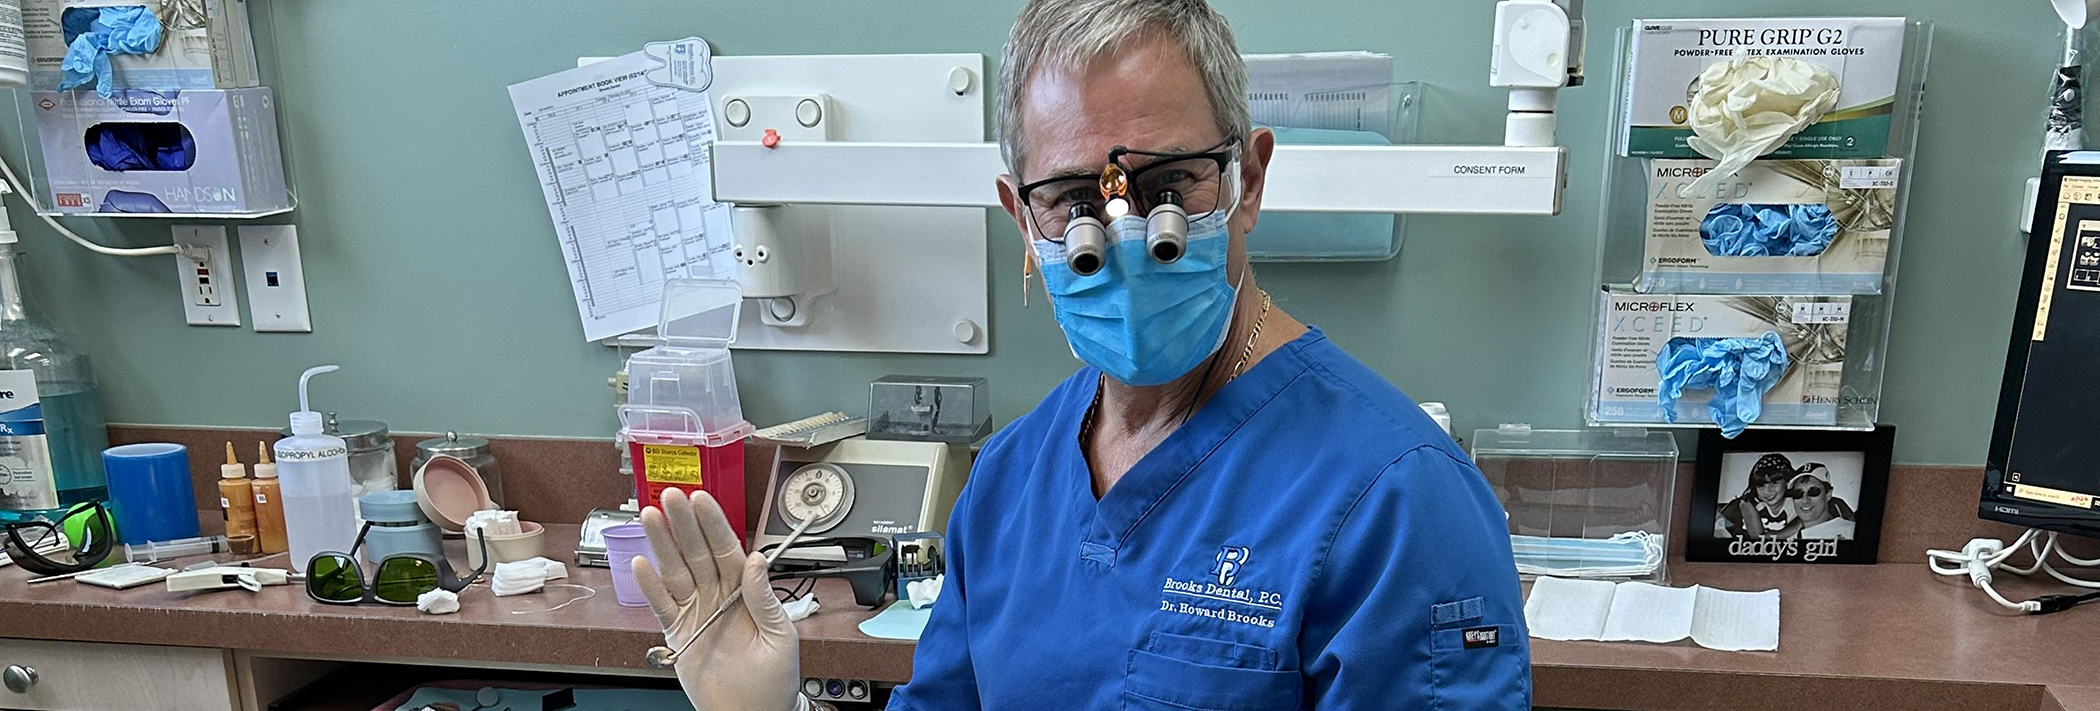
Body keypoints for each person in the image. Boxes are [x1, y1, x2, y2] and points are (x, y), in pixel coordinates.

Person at [634, 1, 1529, 709]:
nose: (1129, 234)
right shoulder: (1012, 479)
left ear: (1248, 181)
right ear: (1023, 221)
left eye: (1170, 185)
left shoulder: (1401, 500)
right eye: (1072, 200)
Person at [1717, 454, 1798, 539]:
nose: (1767, 491)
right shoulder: (1742, 505)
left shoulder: (1798, 503)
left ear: (1787, 481)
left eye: (1774, 483)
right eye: (1761, 485)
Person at [1790, 471, 1857, 540]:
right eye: (1798, 493)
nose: (1805, 500)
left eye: (1813, 492)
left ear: (1828, 494)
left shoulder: (1850, 532)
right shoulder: (1787, 540)